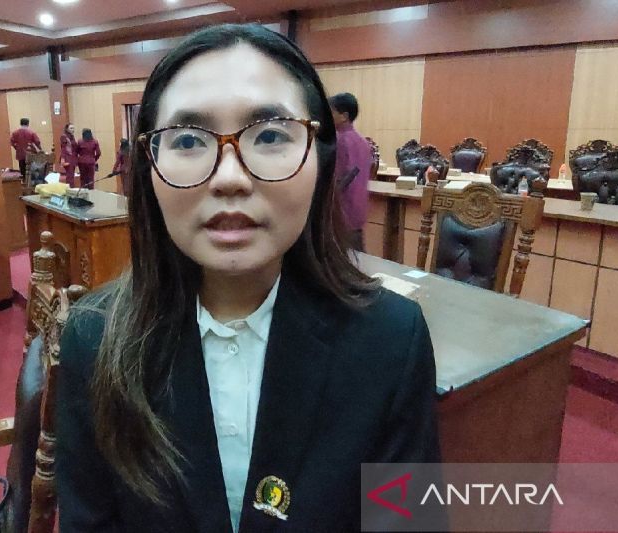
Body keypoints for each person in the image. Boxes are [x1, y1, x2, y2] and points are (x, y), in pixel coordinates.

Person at [56, 23, 439, 532]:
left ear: (320, 160)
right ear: (148, 167)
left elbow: (407, 522)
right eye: (188, 139)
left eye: (271, 135)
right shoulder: (93, 337)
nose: (230, 178)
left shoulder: (391, 339)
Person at [329, 92, 372, 252]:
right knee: (357, 254)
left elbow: (341, 178)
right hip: (359, 209)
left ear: (344, 116)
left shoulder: (339, 141)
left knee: (340, 256)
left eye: (331, 112)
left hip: (342, 209)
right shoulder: (362, 141)